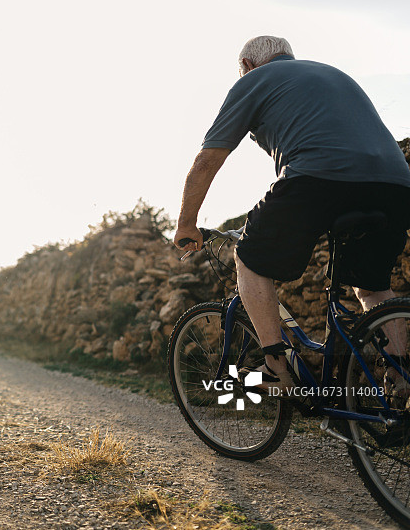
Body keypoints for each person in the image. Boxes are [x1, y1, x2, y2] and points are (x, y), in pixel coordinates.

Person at [173, 35, 410, 393]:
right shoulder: (333, 74)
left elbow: (207, 160)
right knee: (373, 287)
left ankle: (274, 368)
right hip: (396, 184)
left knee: (249, 257)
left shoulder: (254, 80)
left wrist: (186, 224)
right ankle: (401, 382)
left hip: (319, 177)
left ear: (249, 67)